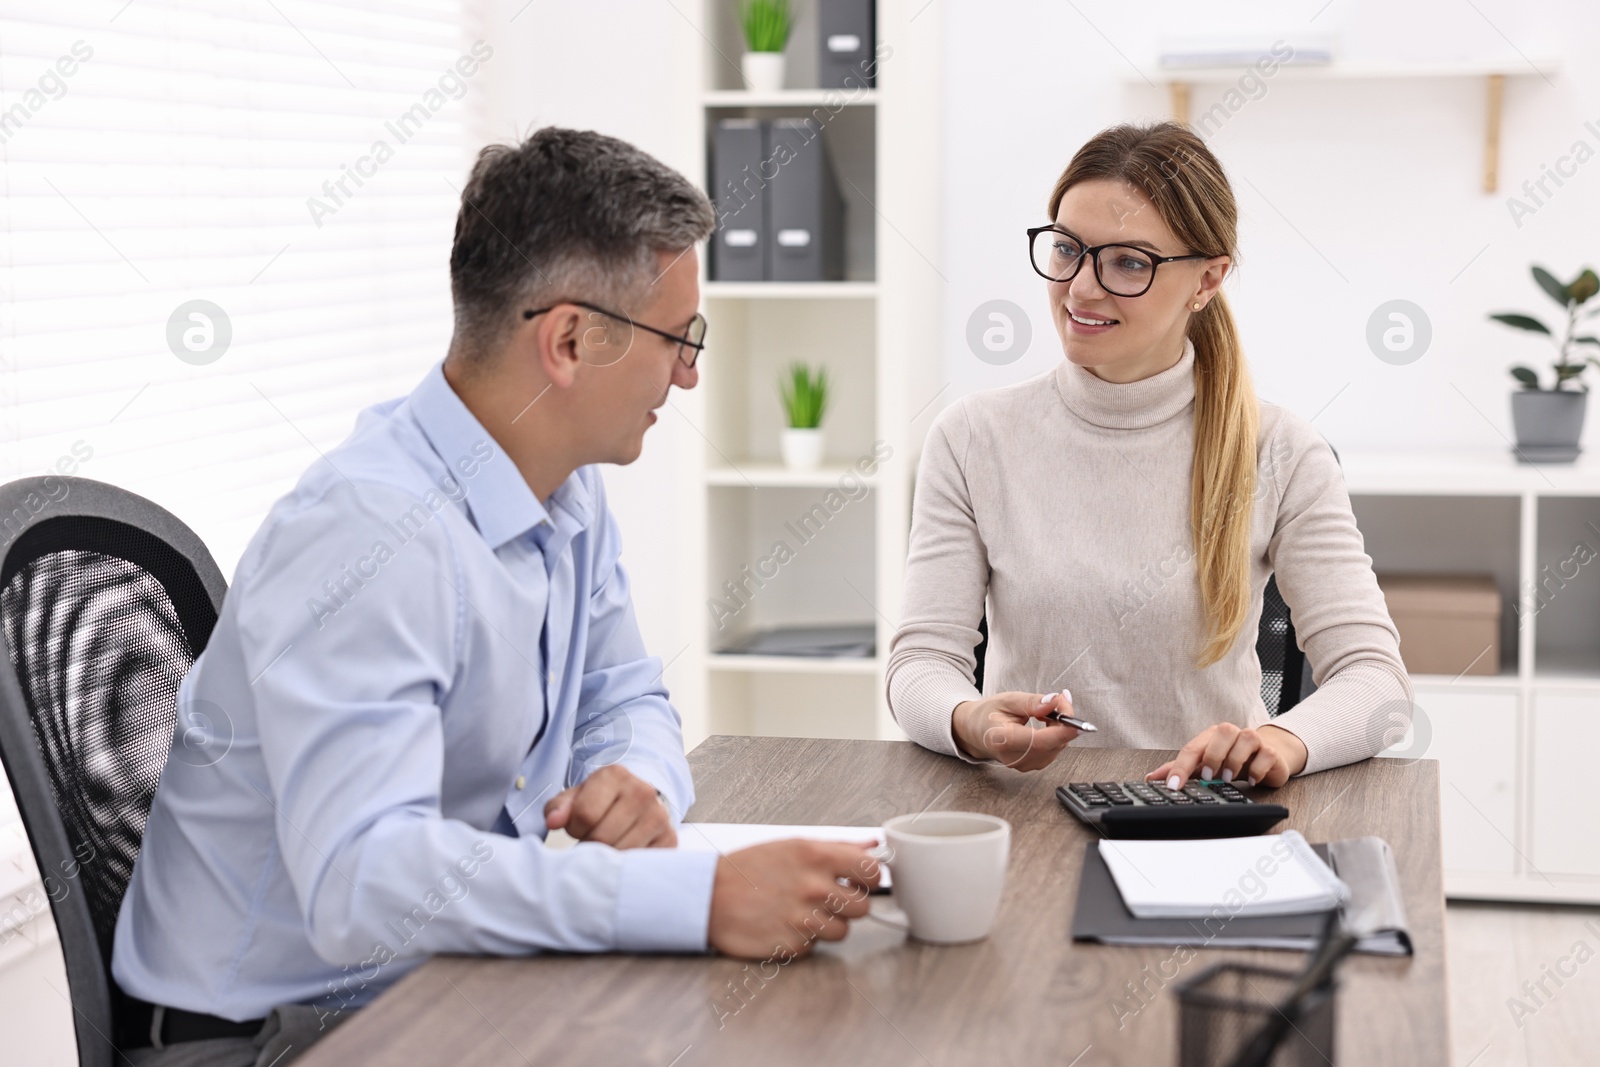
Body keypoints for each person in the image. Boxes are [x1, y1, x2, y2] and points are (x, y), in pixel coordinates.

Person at [113, 127, 878, 1067]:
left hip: (424, 979)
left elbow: (625, 695)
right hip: (277, 1034)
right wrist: (702, 896)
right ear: (567, 340)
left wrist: (633, 780)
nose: (687, 373)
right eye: (679, 339)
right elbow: (363, 882)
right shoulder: (370, 533)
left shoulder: (565, 484)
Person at [887, 121, 1412, 791]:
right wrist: (970, 720)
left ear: (1208, 279)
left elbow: (1376, 680)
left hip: (1203, 817)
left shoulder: (1281, 451)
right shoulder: (972, 438)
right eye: (1068, 250)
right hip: (1028, 815)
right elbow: (920, 663)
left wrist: (1279, 740)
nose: (1081, 288)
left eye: (1129, 262)